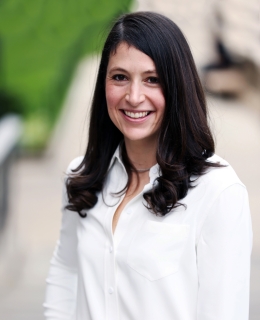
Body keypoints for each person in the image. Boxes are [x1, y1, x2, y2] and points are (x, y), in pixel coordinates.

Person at [44, 11, 252, 320]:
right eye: (120, 77)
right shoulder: (84, 177)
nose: (134, 96)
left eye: (152, 79)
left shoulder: (218, 192)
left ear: (177, 87)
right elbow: (65, 274)